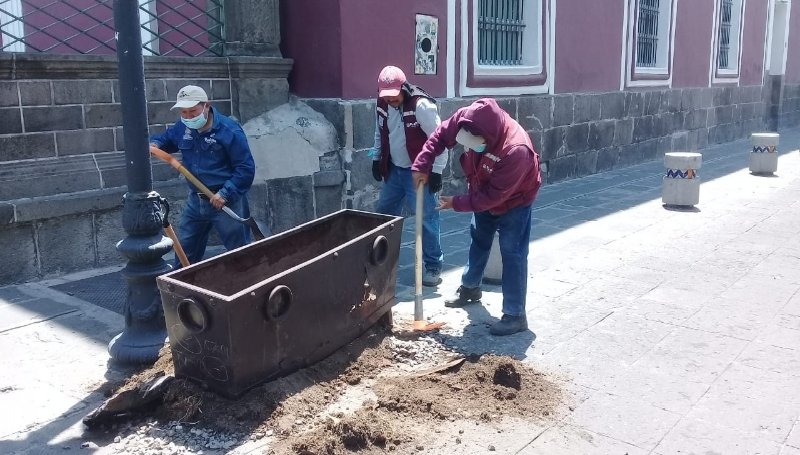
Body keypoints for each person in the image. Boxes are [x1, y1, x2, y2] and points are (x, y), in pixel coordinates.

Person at [411, 98, 542, 336]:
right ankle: (470, 288)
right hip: (482, 186)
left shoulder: (515, 150)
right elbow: (441, 135)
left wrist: (456, 203)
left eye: (475, 145)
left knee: (512, 251)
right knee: (479, 239)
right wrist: (422, 163)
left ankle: (515, 315)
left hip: (515, 200)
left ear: (489, 138)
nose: (470, 147)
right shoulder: (468, 118)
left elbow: (493, 197)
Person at [150, 85, 256, 267]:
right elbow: (166, 139)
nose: (188, 117)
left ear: (206, 106)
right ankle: (184, 290)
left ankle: (247, 288)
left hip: (225, 201)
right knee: (185, 251)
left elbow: (245, 168)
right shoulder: (183, 127)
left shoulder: (229, 130)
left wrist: (225, 193)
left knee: (240, 253)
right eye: (184, 112)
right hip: (196, 201)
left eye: (193, 111)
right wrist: (154, 144)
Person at [371, 65, 447, 286]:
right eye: (386, 97)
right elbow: (380, 131)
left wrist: (436, 171)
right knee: (384, 215)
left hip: (419, 172)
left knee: (427, 219)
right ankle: (381, 260)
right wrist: (377, 158)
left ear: (403, 88)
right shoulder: (382, 104)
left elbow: (439, 141)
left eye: (394, 96)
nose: (391, 101)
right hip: (395, 170)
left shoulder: (421, 106)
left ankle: (433, 266)